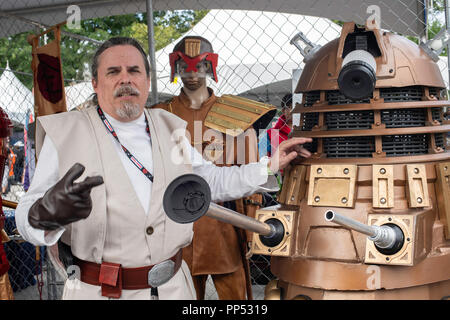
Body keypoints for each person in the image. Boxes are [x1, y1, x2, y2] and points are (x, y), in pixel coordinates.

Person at [14, 37, 312, 300]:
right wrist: (45, 214)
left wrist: (269, 166)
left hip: (172, 288)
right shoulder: (67, 132)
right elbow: (27, 212)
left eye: (134, 71)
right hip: (101, 291)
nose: (125, 80)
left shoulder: (168, 126)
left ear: (146, 80)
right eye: (113, 72)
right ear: (95, 82)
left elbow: (208, 180)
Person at [152, 36, 276, 300]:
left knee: (235, 298)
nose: (192, 73)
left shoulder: (236, 113)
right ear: (175, 67)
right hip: (177, 227)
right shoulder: (161, 114)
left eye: (199, 66)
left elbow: (250, 176)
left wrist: (251, 227)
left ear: (210, 67)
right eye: (185, 66)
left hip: (225, 225)